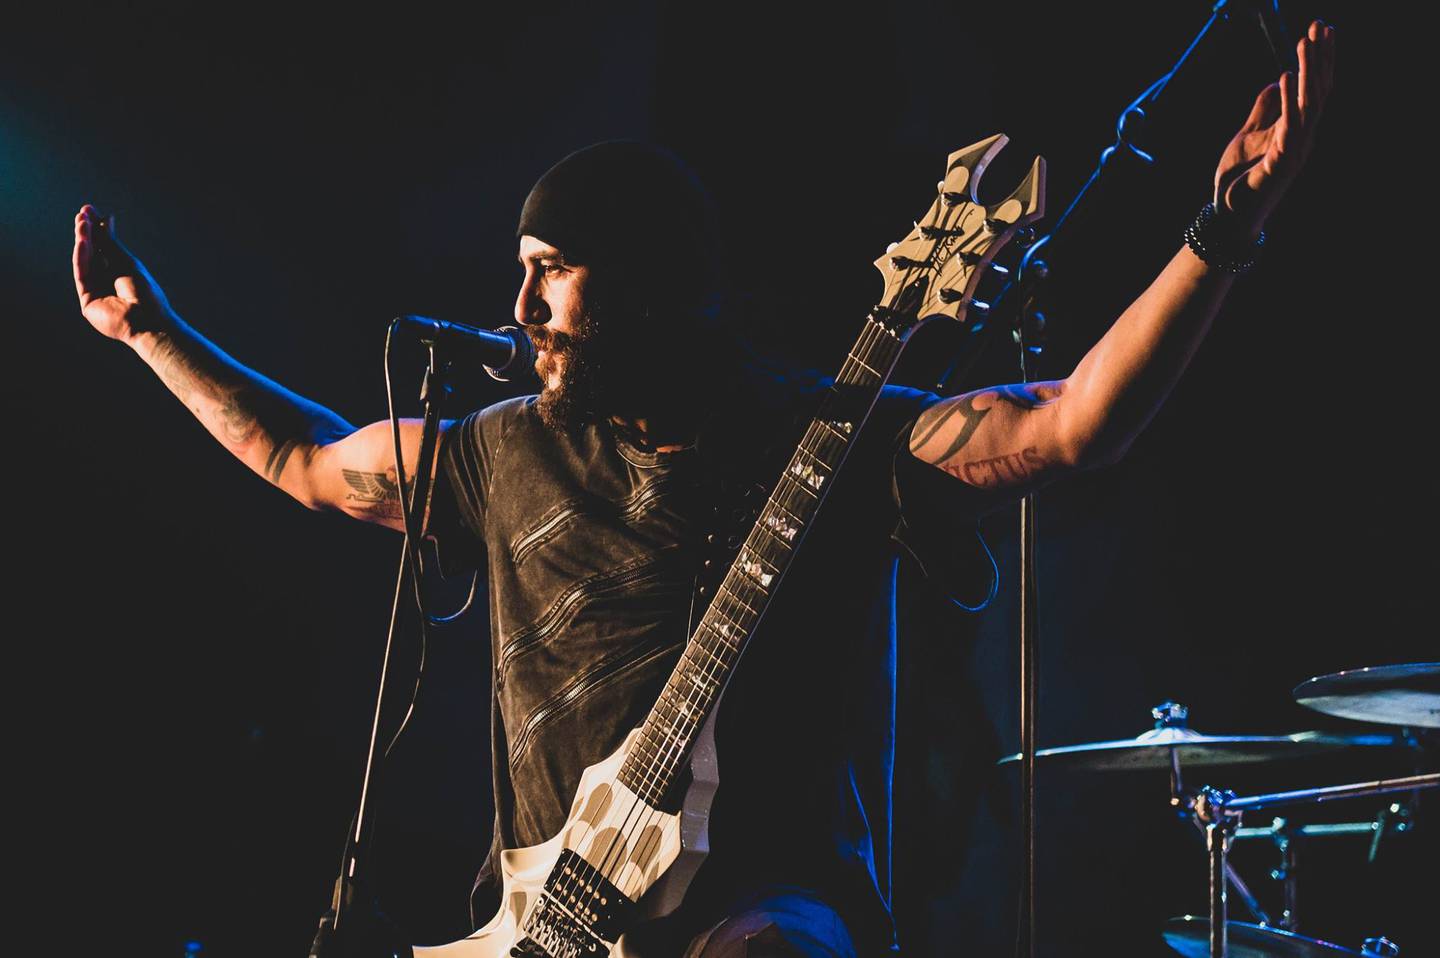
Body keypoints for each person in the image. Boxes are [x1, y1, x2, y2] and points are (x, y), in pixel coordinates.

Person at [71, 22, 1335, 957]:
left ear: (640, 281)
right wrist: (149, 330)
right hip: (537, 918)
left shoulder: (823, 434)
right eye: (519, 269)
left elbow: (1065, 425)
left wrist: (1221, 232)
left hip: (763, 906)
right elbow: (305, 462)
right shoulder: (499, 448)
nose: (518, 308)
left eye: (551, 270)